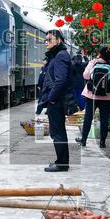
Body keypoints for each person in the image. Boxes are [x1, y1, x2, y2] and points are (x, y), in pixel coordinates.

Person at [37, 29, 74, 172]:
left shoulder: (61, 56)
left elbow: (61, 81)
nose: (46, 42)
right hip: (55, 100)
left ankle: (62, 164)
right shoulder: (57, 55)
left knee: (58, 132)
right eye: (45, 40)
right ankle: (61, 161)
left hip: (57, 101)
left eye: (49, 39)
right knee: (56, 131)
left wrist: (51, 98)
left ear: (58, 40)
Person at [76, 46, 110, 148]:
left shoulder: (93, 62)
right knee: (104, 119)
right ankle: (102, 142)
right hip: (107, 96)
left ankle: (83, 140)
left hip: (92, 95)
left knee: (88, 117)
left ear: (99, 53)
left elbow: (85, 76)